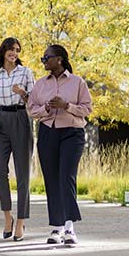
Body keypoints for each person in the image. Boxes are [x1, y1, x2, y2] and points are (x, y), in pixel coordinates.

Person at [28, 44, 92, 245]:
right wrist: (46, 107)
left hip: (72, 134)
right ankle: (56, 227)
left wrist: (66, 106)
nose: (44, 61)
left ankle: (69, 228)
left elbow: (87, 109)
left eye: (47, 58)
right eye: (43, 58)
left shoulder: (77, 82)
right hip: (48, 133)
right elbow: (31, 110)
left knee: (66, 177)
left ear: (60, 60)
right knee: (52, 180)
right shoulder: (40, 85)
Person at [0, 37, 35, 241]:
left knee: (22, 175)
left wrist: (22, 93)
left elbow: (35, 102)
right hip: (1, 121)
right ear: (3, 50)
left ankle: (21, 222)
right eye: (11, 49)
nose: (14, 53)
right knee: (0, 172)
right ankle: (8, 217)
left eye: (17, 50)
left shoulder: (26, 72)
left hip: (21, 118)